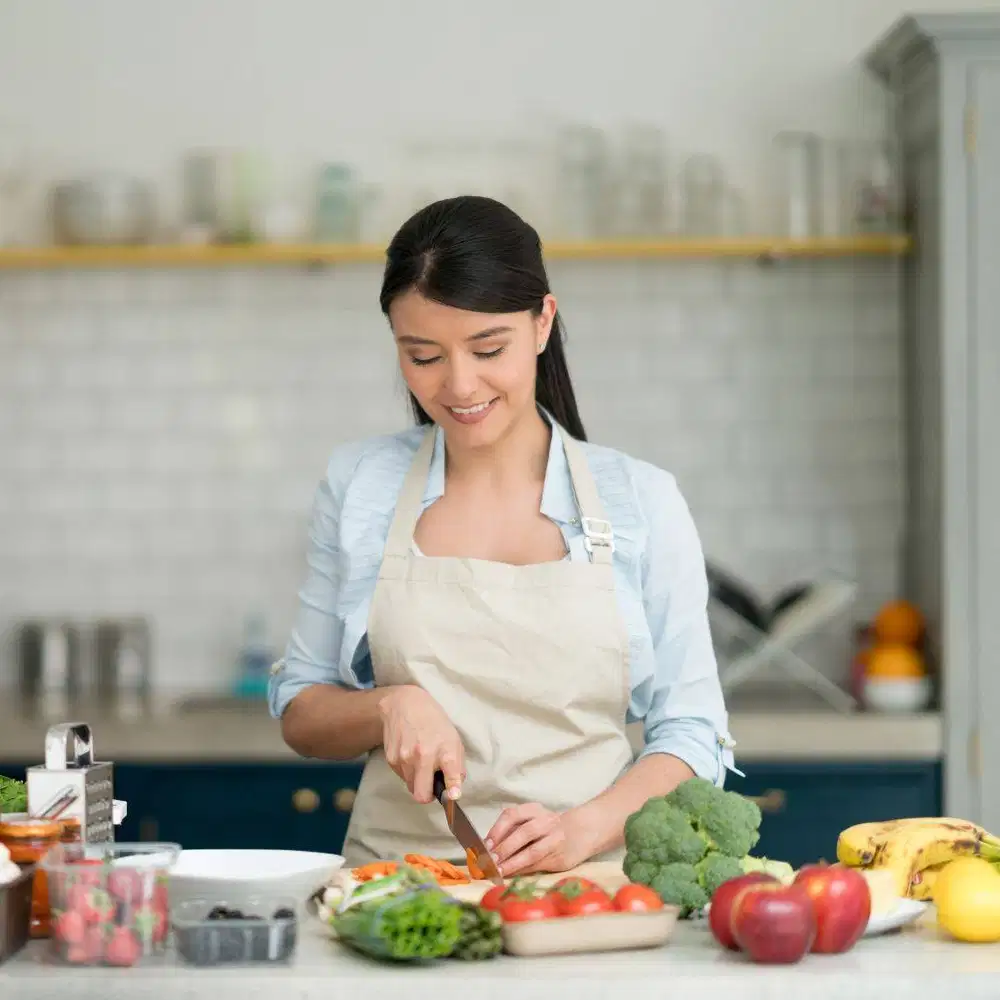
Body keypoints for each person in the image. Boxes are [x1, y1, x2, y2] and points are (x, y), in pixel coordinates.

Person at [269, 194, 738, 877]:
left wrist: (586, 828)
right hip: (399, 898)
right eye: (423, 355)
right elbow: (302, 712)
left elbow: (694, 733)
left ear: (543, 322)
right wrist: (387, 706)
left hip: (585, 896)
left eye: (489, 349)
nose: (460, 385)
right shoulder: (361, 484)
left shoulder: (640, 500)